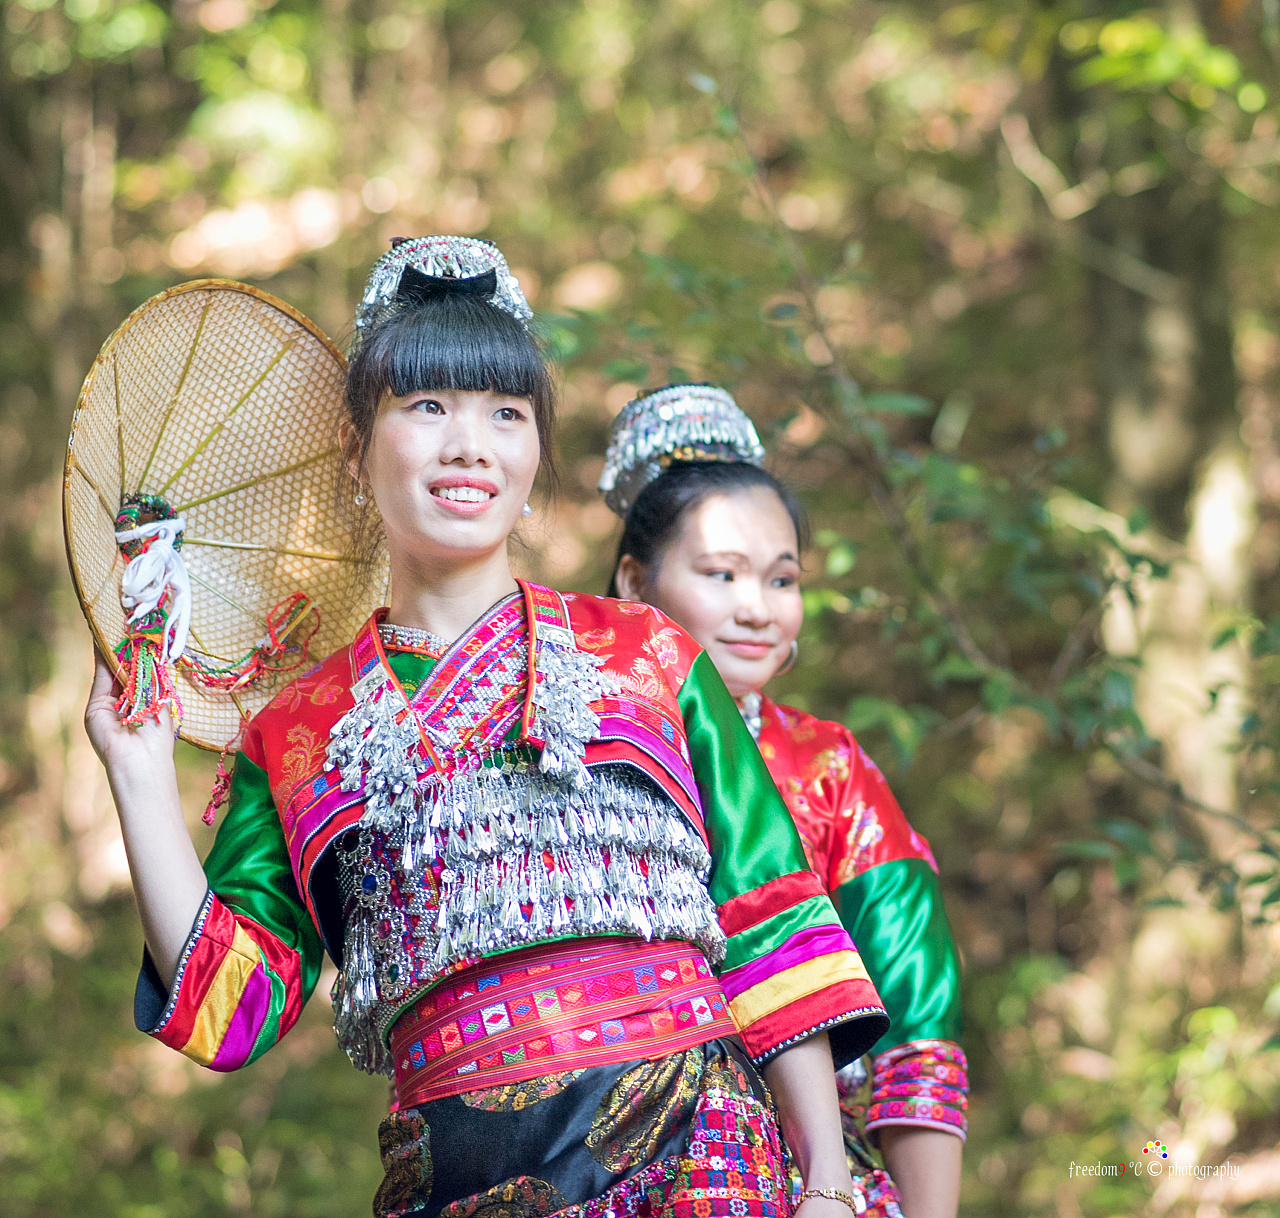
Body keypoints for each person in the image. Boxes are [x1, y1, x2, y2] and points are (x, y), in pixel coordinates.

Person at [85, 238, 893, 1218]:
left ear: (535, 451)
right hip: (454, 1183)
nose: (469, 446)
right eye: (427, 407)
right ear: (355, 446)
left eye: (504, 414)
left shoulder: (644, 651)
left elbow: (769, 909)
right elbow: (230, 1013)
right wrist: (136, 773)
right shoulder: (293, 730)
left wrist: (826, 1182)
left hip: (701, 1164)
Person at [601, 385, 966, 1218]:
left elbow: (919, 1014)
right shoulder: (565, 743)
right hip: (592, 1163)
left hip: (806, 1182)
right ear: (634, 578)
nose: (757, 608)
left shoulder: (830, 769)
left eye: (783, 577)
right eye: (721, 574)